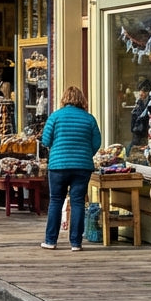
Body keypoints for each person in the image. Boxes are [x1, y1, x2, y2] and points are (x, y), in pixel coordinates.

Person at [40, 86, 102, 251]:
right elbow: (97, 142)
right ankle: (76, 243)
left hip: (58, 165)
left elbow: (45, 140)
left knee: (55, 201)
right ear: (82, 100)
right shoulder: (89, 119)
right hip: (82, 166)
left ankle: (50, 240)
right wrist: (85, 153)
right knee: (78, 202)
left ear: (64, 99)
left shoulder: (55, 117)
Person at [130, 79, 151, 148]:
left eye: (143, 91)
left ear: (148, 92)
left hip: (145, 132)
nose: (140, 93)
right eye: (140, 91)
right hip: (138, 132)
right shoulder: (139, 102)